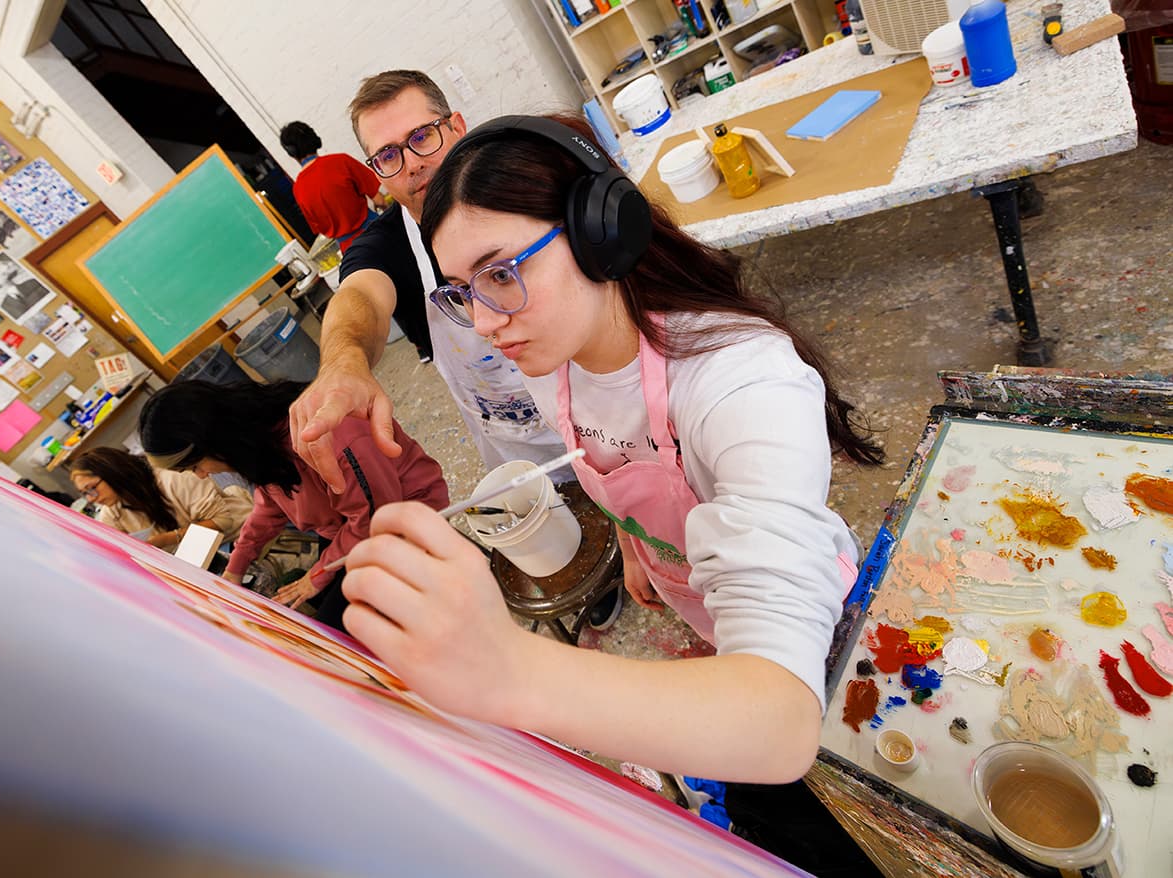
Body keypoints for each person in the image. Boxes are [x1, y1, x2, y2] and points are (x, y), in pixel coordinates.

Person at [337, 114, 886, 789]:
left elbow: (778, 722)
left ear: (602, 235)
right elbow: (607, 460)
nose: (482, 322)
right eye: (460, 292)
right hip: (694, 605)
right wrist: (637, 548)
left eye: (501, 273)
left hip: (811, 637)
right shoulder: (553, 363)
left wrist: (507, 667)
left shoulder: (742, 381)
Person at [288, 69, 569, 486]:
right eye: (388, 155)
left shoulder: (529, 189)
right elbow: (359, 297)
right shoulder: (385, 246)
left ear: (457, 126)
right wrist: (343, 363)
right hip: (522, 465)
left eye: (422, 137)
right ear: (377, 172)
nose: (412, 164)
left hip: (605, 431)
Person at [138, 380, 448, 631]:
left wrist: (315, 576)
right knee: (319, 612)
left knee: (338, 627)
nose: (203, 475)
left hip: (403, 515)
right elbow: (269, 505)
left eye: (196, 466)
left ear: (213, 440)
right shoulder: (260, 440)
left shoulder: (327, 438)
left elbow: (374, 518)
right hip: (348, 525)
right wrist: (236, 567)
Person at [70, 446, 303, 594]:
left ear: (112, 472)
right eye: (86, 495)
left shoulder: (169, 479)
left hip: (236, 535)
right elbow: (118, 552)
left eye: (92, 489)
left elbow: (223, 521)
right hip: (196, 557)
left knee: (243, 585)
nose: (93, 499)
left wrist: (164, 539)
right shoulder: (113, 511)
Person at [279, 121, 385, 252]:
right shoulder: (341, 161)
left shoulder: (298, 189)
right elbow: (380, 201)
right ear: (314, 138)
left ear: (291, 153)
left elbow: (319, 229)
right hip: (378, 233)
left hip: (351, 252)